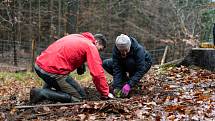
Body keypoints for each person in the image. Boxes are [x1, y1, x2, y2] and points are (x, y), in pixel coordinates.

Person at [30, 32, 114, 103]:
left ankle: (47, 89)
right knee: (80, 98)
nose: (98, 52)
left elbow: (68, 53)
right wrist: (105, 93)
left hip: (39, 65)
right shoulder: (91, 46)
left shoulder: (77, 37)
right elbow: (97, 74)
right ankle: (43, 93)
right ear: (96, 42)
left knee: (57, 69)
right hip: (51, 72)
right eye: (99, 49)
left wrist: (80, 64)